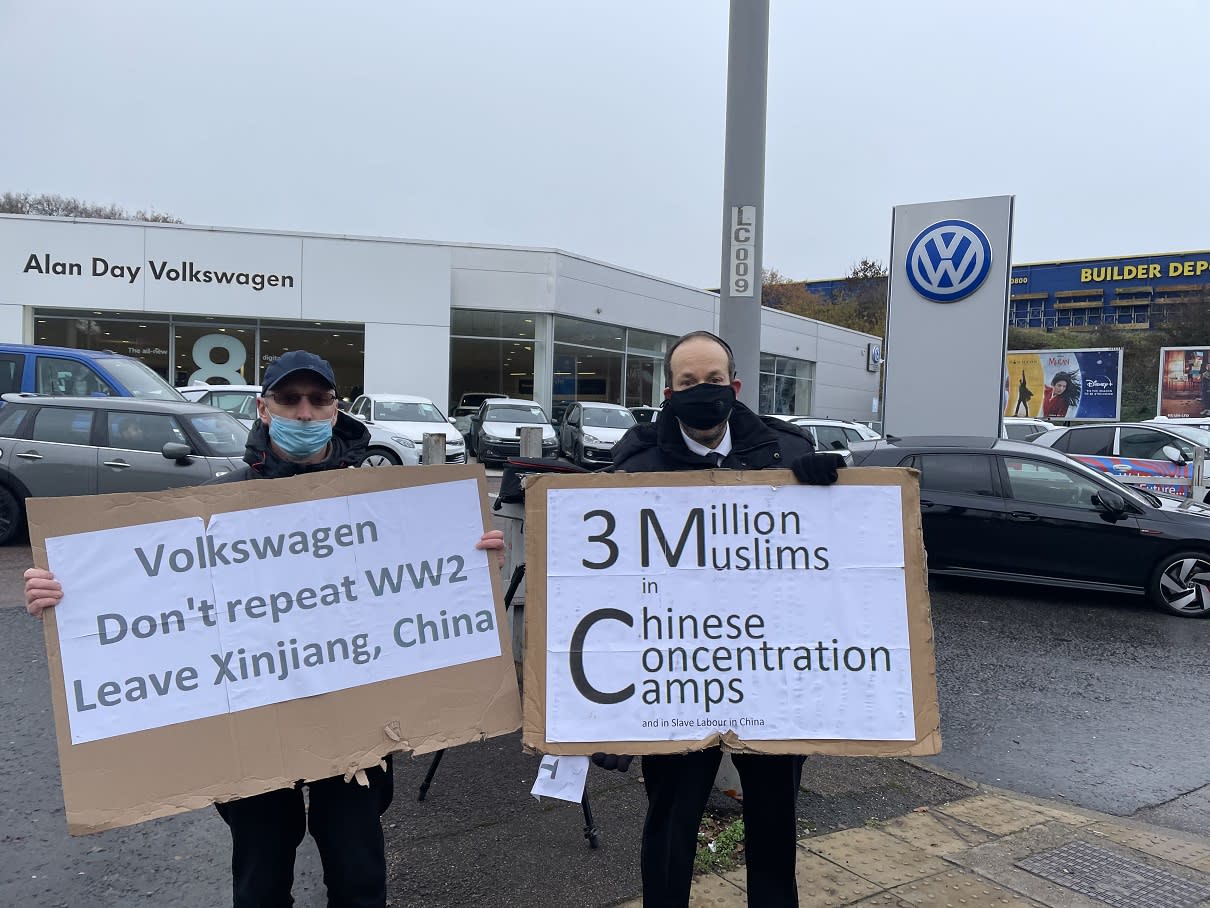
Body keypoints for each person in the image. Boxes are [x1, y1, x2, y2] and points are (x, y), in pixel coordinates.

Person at [24, 349, 506, 908]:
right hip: (250, 713)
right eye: (288, 399)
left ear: (335, 409)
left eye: (318, 399)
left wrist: (472, 563)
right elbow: (152, 601)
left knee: (359, 874)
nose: (303, 413)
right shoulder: (216, 501)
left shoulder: (384, 501)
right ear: (263, 408)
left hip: (351, 717)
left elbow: (423, 580)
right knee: (261, 873)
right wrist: (66, 594)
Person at [596, 330, 844, 908]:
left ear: (733, 387)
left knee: (775, 821)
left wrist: (832, 494)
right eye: (688, 383)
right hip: (678, 674)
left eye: (712, 381)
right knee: (670, 822)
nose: (701, 393)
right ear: (669, 391)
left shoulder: (786, 450)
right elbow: (604, 580)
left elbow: (835, 563)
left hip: (770, 673)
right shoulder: (636, 463)